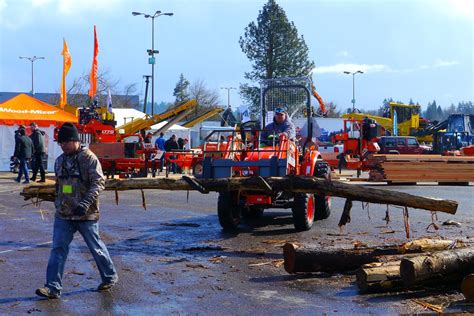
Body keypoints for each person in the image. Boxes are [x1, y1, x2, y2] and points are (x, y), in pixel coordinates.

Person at [36, 122, 118, 299]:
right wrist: (58, 202)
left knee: (95, 248)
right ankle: (52, 288)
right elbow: (60, 186)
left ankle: (109, 277)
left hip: (86, 214)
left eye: (65, 142)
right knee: (58, 249)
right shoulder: (60, 161)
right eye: (60, 143)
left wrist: (85, 203)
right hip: (64, 215)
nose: (62, 145)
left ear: (75, 140)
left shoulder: (88, 158)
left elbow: (99, 182)